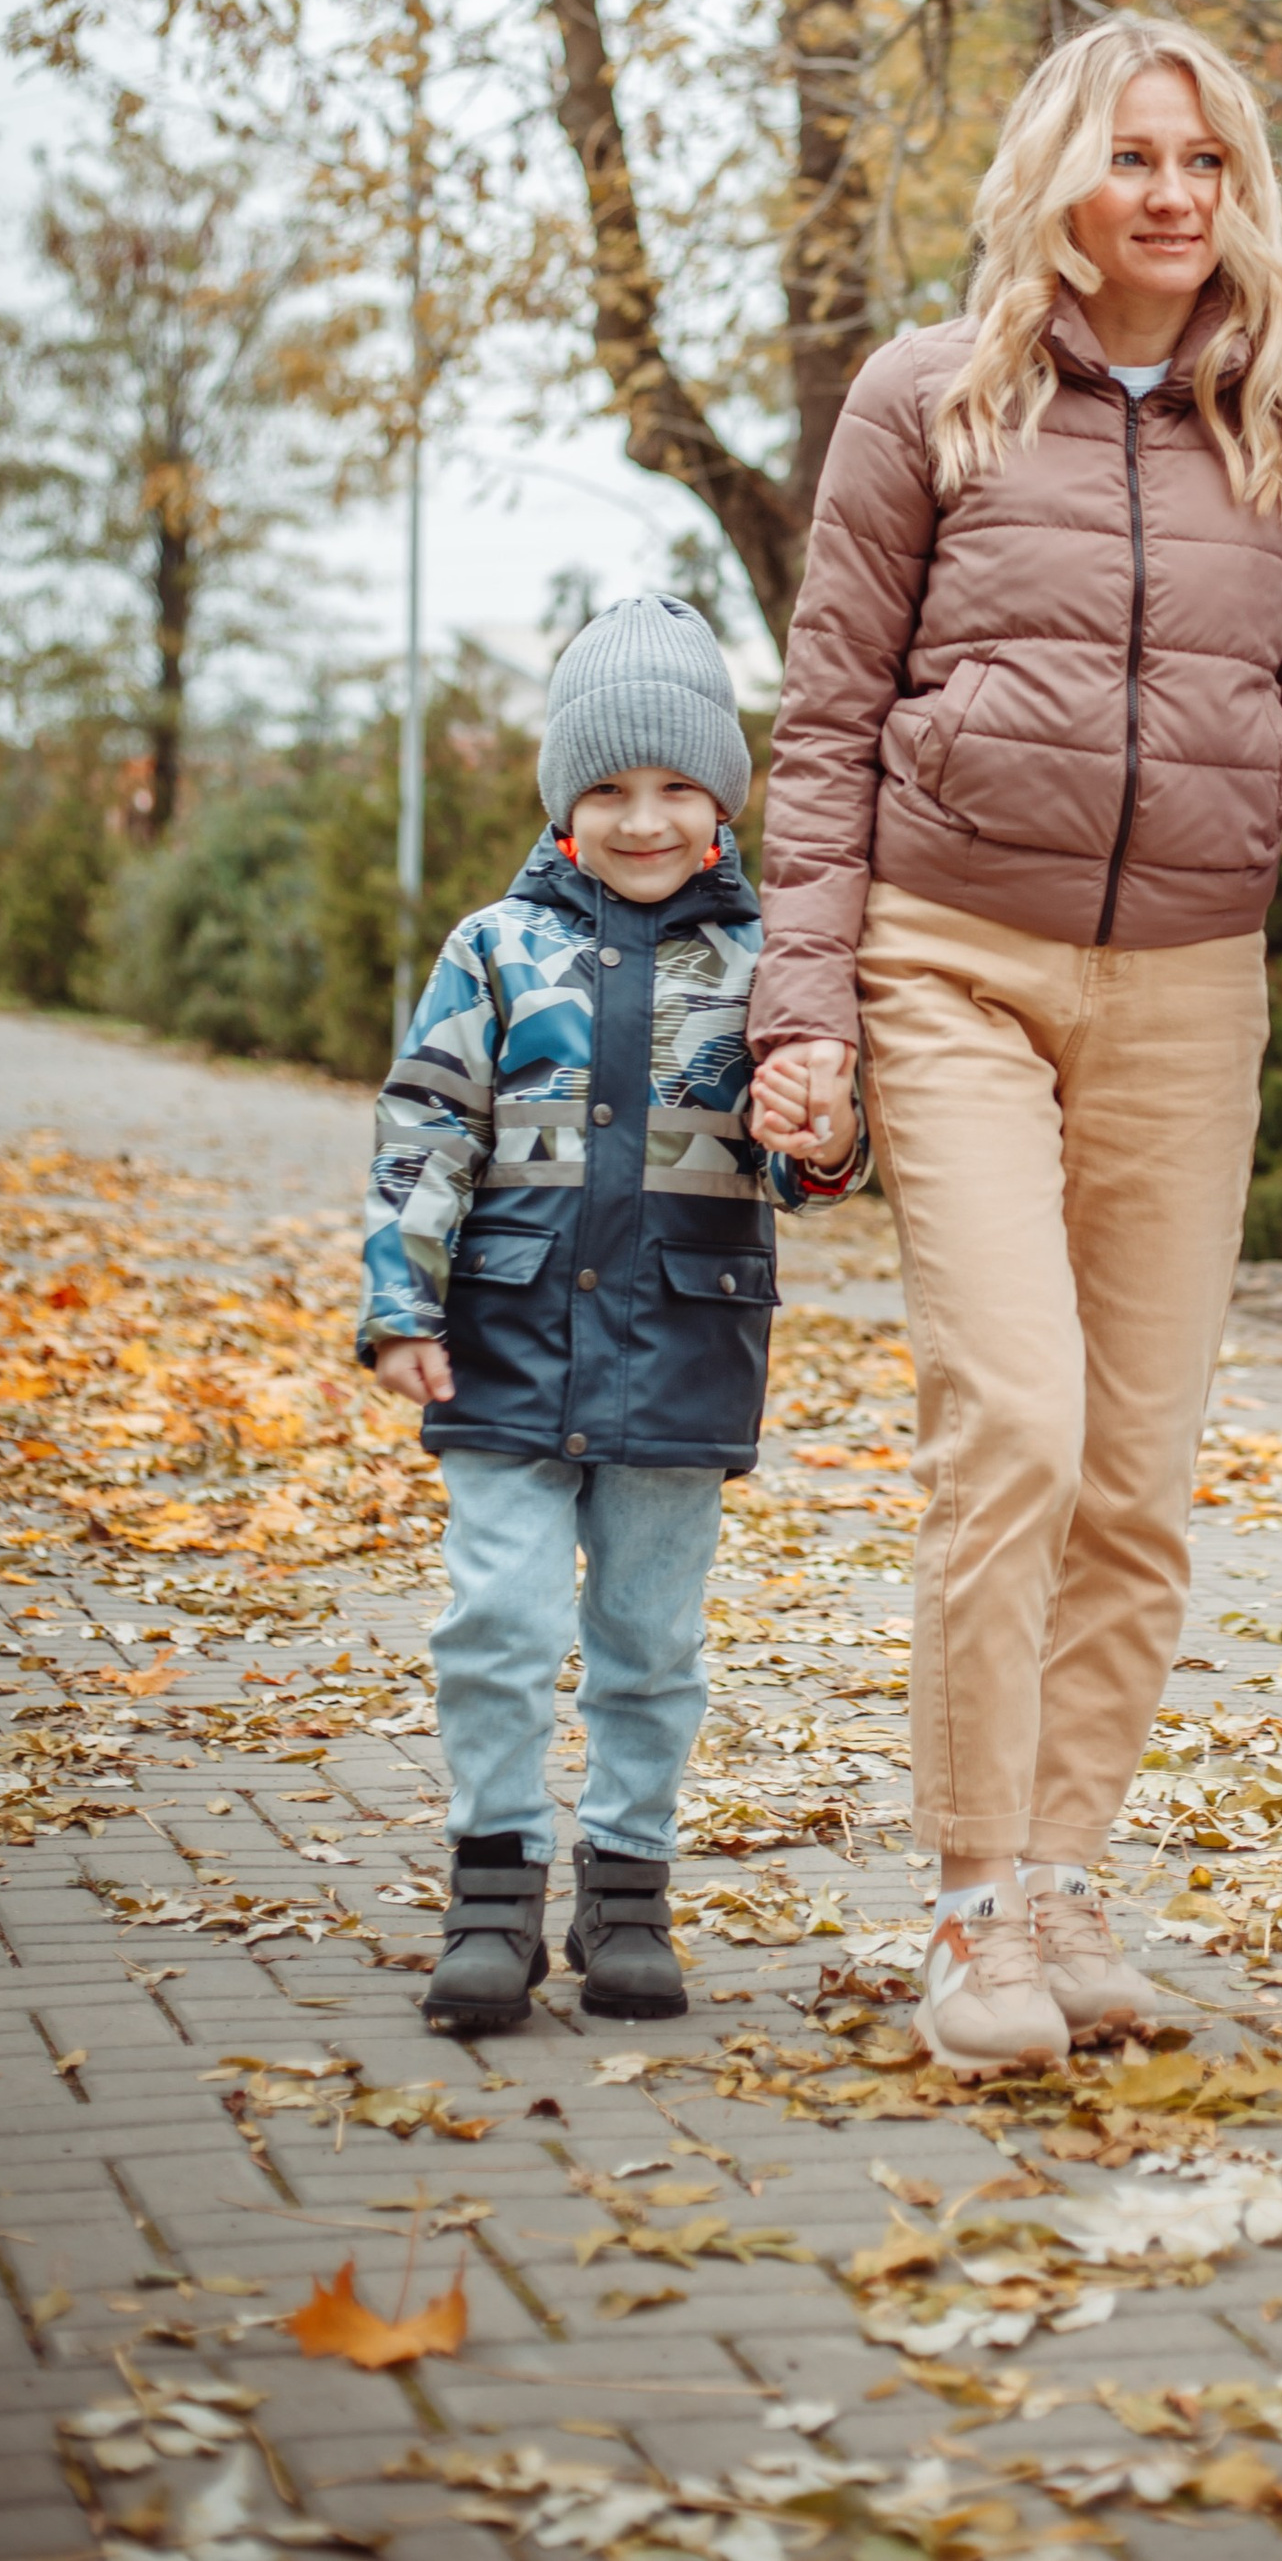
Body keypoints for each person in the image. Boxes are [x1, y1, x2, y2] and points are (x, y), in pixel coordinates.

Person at [747, 13, 1282, 2078]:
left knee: (1131, 1473)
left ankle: (1059, 1880)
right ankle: (962, 1904)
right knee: (1013, 1421)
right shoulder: (924, 399)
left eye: (1203, 162)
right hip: (951, 960)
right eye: (1134, 155)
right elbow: (831, 711)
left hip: (1188, 983)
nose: (1173, 193)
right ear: (1060, 172)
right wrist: (808, 1006)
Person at [361, 593, 860, 2040]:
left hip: (682, 1348)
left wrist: (819, 1132)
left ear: (722, 800)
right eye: (611, 790)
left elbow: (817, 1169)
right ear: (563, 800)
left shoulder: (774, 958)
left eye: (677, 789)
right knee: (497, 1621)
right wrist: (400, 1301)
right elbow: (425, 1127)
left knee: (650, 1639)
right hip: (504, 1343)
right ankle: (492, 1895)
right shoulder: (496, 948)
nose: (645, 820)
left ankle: (629, 1892)